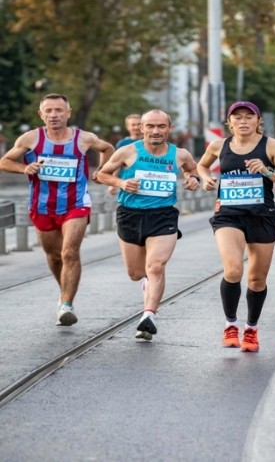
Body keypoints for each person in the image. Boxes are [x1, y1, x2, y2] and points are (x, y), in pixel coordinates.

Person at [0, 93, 114, 326]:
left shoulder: (84, 138)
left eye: (59, 110)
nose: (54, 115)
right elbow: (4, 161)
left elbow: (108, 147)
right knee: (53, 255)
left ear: (68, 113)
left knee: (70, 252)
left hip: (76, 204)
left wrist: (103, 172)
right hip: (42, 206)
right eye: (49, 111)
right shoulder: (31, 138)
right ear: (41, 115)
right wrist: (24, 168)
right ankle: (64, 291)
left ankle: (66, 304)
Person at [197, 101, 275, 352]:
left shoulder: (272, 146)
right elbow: (202, 165)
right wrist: (206, 178)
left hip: (261, 215)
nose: (243, 121)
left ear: (258, 121)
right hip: (228, 215)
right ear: (229, 122)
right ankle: (230, 325)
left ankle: (251, 329)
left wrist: (266, 171)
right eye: (237, 117)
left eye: (248, 117)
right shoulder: (219, 145)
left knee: (256, 278)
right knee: (232, 270)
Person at [96, 110, 200, 340]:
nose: (156, 131)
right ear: (141, 128)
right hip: (130, 215)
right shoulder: (128, 151)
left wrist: (193, 179)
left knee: (155, 266)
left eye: (161, 126)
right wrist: (121, 182)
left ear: (169, 128)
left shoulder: (179, 154)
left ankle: (149, 315)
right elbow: (101, 175)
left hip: (163, 216)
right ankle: (148, 285)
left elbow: (192, 170)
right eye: (150, 126)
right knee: (136, 273)